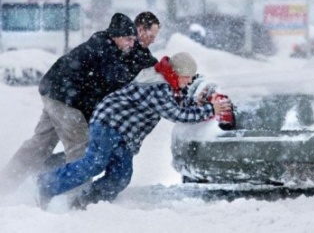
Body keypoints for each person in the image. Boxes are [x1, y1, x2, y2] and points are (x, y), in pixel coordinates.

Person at [37, 52, 232, 210]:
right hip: (108, 122)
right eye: (187, 78)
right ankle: (46, 185)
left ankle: (86, 203)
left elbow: (178, 100)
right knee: (94, 164)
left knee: (120, 176)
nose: (188, 82)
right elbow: (176, 113)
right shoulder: (158, 86)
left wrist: (200, 102)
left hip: (125, 133)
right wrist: (211, 109)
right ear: (178, 73)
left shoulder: (168, 82)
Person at [0, 13, 141, 194]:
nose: (132, 43)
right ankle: (74, 196)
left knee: (40, 144)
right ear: (116, 36)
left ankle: (6, 183)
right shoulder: (105, 53)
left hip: (52, 93)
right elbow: (109, 87)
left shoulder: (102, 45)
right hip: (66, 101)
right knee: (80, 147)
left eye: (133, 39)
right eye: (128, 39)